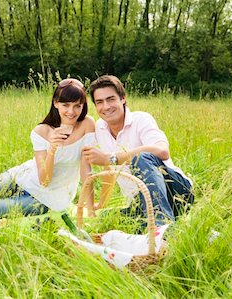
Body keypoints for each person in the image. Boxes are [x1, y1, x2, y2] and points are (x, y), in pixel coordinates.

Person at [0, 78, 95, 218]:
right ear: (56, 103)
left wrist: (91, 210)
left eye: (77, 106)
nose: (71, 111)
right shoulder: (41, 131)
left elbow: (46, 182)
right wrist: (51, 148)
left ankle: (4, 203)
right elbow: (41, 175)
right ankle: (3, 198)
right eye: (66, 105)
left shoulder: (87, 125)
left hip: (47, 198)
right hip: (21, 178)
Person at [82, 75, 193, 227]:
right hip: (140, 201)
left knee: (140, 158)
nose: (106, 106)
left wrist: (111, 158)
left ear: (123, 98)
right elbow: (107, 169)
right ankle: (164, 224)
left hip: (175, 192)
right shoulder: (100, 128)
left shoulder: (141, 119)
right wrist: (100, 204)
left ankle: (160, 227)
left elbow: (162, 151)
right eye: (99, 102)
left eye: (111, 99)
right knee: (108, 219)